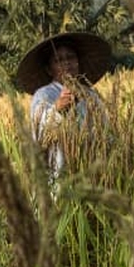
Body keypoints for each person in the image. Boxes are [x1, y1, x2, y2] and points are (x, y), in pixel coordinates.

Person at [15, 32, 113, 185]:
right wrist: (58, 110)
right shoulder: (44, 95)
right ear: (49, 69)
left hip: (91, 172)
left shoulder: (91, 95)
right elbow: (39, 134)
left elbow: (105, 131)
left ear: (78, 62)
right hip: (59, 175)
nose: (66, 63)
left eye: (71, 57)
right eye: (58, 60)